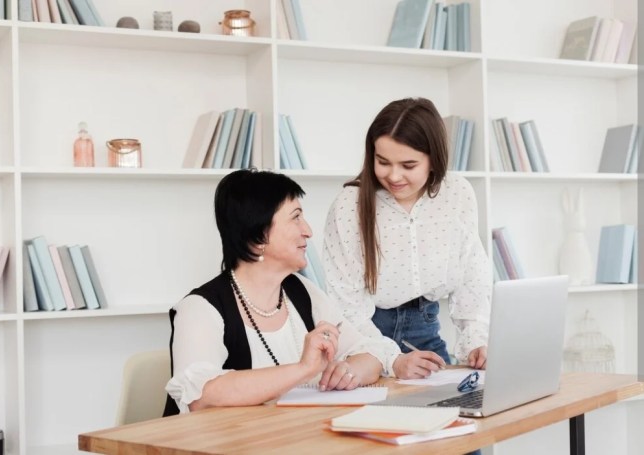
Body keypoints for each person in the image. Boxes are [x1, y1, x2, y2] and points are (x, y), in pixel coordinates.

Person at [164, 169, 391, 416]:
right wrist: (304, 369)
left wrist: (349, 372)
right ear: (258, 235)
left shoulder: (301, 291)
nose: (307, 231)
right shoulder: (199, 308)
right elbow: (202, 395)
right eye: (295, 218)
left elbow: (372, 352)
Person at [322, 97, 492, 380]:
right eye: (383, 162)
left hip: (426, 334)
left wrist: (476, 340)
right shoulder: (349, 205)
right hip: (365, 343)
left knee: (457, 414)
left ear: (433, 160)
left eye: (408, 165)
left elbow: (471, 275)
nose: (394, 175)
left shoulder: (458, 194)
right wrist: (392, 359)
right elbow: (344, 304)